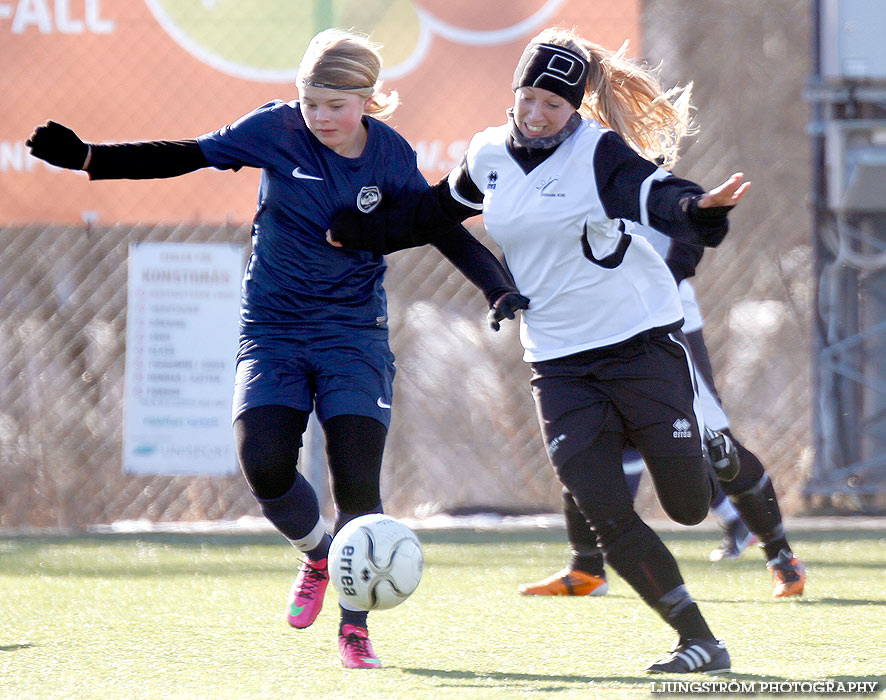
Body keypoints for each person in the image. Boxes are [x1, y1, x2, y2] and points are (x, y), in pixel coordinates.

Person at [26, 28, 527, 669]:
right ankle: (319, 555)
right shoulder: (277, 130)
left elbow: (440, 229)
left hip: (353, 336)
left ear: (368, 101)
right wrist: (90, 156)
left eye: (335, 105)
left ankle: (354, 631)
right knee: (262, 463)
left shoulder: (392, 158)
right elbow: (187, 154)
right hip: (274, 330)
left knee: (358, 488)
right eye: (310, 101)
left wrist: (496, 285)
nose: (319, 116)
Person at [329, 27, 756, 674]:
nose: (535, 113)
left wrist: (700, 207)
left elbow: (659, 196)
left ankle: (706, 445)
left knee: (689, 507)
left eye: (552, 105)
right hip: (557, 361)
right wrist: (356, 232)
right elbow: (431, 214)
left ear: (575, 108)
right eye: (528, 96)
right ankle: (699, 640)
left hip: (640, 342)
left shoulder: (600, 153)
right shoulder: (490, 153)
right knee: (605, 511)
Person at [518, 227, 805, 599]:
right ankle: (586, 567)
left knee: (712, 436)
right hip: (590, 325)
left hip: (660, 326)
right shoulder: (566, 176)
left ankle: (781, 558)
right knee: (589, 435)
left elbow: (694, 226)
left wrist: (657, 282)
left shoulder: (642, 179)